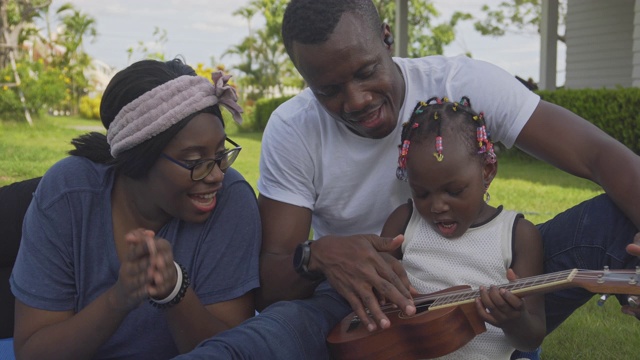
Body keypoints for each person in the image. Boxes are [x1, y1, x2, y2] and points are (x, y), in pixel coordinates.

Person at [255, 0, 640, 357]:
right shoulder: (293, 129)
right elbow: (272, 285)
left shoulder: (462, 84)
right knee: (271, 333)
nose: (356, 100)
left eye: (366, 72)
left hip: (493, 288)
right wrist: (315, 256)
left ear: (387, 39)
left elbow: (598, 155)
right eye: (329, 90)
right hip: (367, 300)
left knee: (614, 220)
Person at [10, 58, 261, 359]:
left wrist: (175, 291)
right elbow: (32, 352)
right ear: (139, 159)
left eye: (221, 154)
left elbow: (236, 352)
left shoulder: (231, 200)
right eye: (195, 161)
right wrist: (118, 299)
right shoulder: (68, 194)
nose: (217, 174)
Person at [379, 97, 545, 358]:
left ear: (487, 171)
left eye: (454, 191)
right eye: (421, 193)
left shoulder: (517, 235)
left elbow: (530, 338)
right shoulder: (404, 222)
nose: (436, 206)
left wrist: (515, 319)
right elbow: (377, 297)